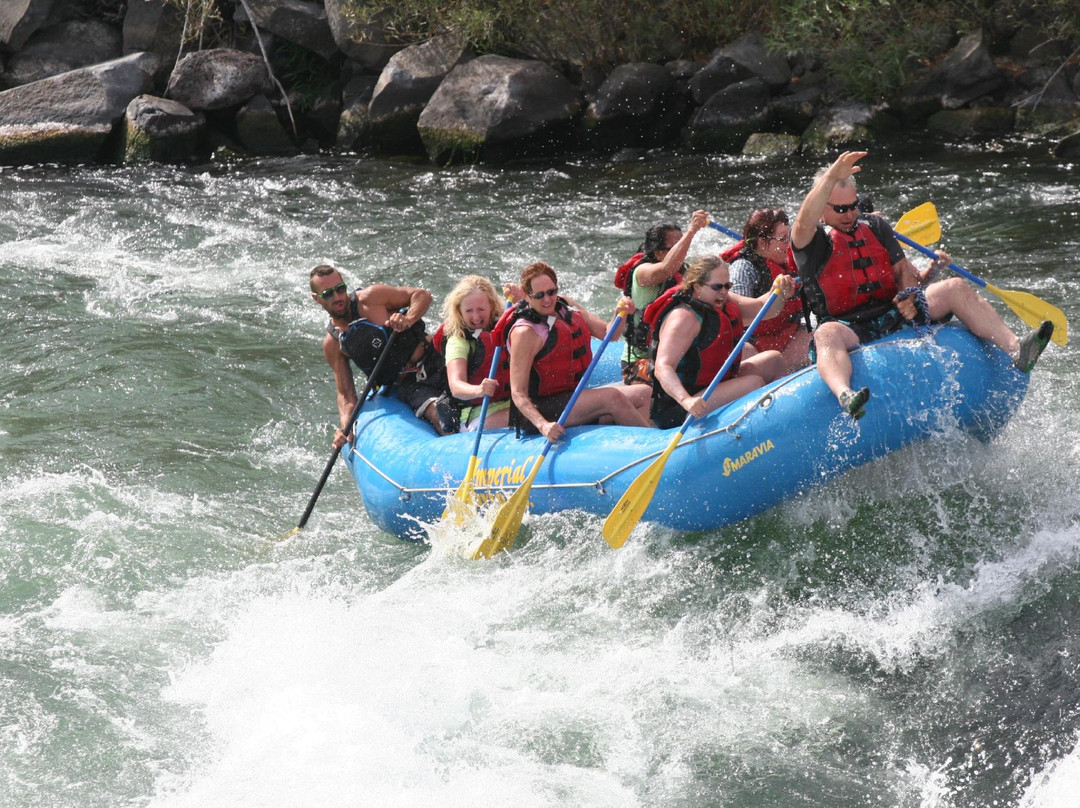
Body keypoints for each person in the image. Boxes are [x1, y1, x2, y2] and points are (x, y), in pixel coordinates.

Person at [791, 151, 1054, 419]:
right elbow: (803, 220)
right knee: (825, 334)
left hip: (891, 313)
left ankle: (1017, 349)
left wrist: (909, 294)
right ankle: (846, 395)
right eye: (840, 209)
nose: (849, 214)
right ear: (824, 207)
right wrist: (831, 177)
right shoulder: (810, 244)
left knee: (955, 287)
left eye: (853, 205)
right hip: (847, 326)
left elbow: (902, 268)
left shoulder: (876, 226)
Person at [497, 261, 653, 441]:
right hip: (540, 409)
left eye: (551, 292)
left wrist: (620, 314)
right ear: (527, 296)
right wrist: (543, 425)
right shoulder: (525, 332)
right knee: (612, 397)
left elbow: (607, 334)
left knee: (643, 393)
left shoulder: (566, 305)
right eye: (539, 295)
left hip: (570, 397)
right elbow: (518, 392)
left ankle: (637, 446)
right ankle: (651, 444)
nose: (548, 299)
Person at [309, 264, 454, 449]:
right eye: (328, 294)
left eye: (340, 289)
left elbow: (422, 295)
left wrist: (408, 319)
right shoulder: (333, 344)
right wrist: (345, 428)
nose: (337, 297)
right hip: (409, 384)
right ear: (317, 299)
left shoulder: (371, 298)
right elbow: (346, 396)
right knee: (442, 417)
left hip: (434, 357)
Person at [648, 255, 796, 429]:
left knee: (774, 361)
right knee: (753, 383)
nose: (723, 292)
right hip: (681, 406)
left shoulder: (723, 302)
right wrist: (686, 400)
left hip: (712, 387)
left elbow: (766, 309)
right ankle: (768, 430)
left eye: (727, 286)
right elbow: (662, 367)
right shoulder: (684, 318)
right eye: (717, 287)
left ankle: (788, 419)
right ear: (697, 286)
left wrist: (779, 291)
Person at [616, 210, 710, 384]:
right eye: (677, 246)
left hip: (674, 355)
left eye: (683, 245)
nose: (683, 251)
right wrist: (691, 232)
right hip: (642, 361)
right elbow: (666, 269)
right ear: (658, 252)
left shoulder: (683, 272)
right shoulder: (642, 272)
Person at [724, 207, 811, 373]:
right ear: (763, 243)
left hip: (789, 336)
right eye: (784, 239)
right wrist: (777, 294)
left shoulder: (793, 262)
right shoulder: (743, 268)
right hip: (754, 344)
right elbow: (738, 318)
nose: (789, 245)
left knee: (816, 334)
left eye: (790, 237)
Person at [433, 274, 521, 432]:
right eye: (469, 311)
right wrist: (479, 390)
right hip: (477, 417)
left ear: (492, 306)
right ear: (459, 311)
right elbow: (456, 386)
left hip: (514, 404)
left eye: (481, 309)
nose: (476, 317)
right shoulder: (458, 340)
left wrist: (523, 301)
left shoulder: (507, 326)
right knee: (535, 415)